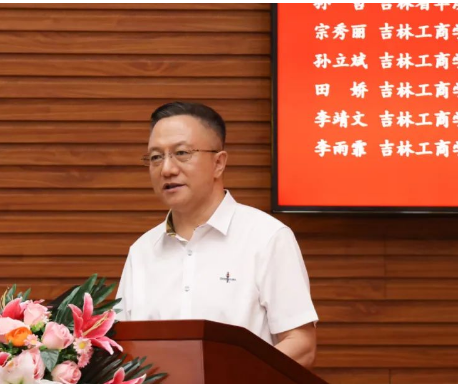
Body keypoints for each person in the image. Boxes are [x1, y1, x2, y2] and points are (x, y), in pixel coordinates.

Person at [115, 101, 318, 368]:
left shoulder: (267, 237)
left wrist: (231, 382)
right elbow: (121, 348)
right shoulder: (142, 251)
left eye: (182, 153)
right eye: (155, 157)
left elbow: (301, 344)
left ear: (218, 163)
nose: (167, 169)